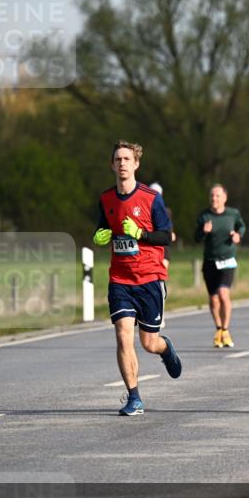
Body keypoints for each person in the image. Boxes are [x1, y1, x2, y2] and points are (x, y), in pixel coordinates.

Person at [93, 140, 181, 416]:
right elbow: (103, 227)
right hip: (120, 280)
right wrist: (100, 236)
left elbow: (166, 236)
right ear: (112, 165)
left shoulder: (151, 198)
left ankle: (165, 349)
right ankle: (134, 397)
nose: (122, 163)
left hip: (149, 277)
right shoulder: (106, 199)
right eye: (118, 159)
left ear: (136, 164)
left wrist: (140, 234)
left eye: (127, 159)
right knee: (123, 337)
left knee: (148, 343)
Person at [195, 184, 246, 348]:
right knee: (213, 298)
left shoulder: (233, 214)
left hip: (227, 261)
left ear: (225, 198)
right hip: (210, 261)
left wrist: (238, 235)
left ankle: (225, 330)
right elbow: (196, 238)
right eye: (212, 195)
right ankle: (218, 329)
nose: (214, 198)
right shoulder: (204, 215)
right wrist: (204, 231)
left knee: (224, 294)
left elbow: (241, 226)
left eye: (217, 196)